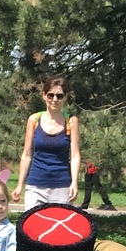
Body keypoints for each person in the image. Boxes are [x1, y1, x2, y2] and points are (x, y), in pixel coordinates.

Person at [12, 76, 81, 209]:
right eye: (51, 95)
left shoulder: (71, 121)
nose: (55, 100)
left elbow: (75, 156)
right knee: (31, 228)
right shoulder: (34, 120)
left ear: (65, 97)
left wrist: (74, 183)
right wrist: (20, 184)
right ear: (44, 96)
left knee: (59, 228)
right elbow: (27, 155)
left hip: (62, 187)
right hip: (35, 186)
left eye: (59, 96)